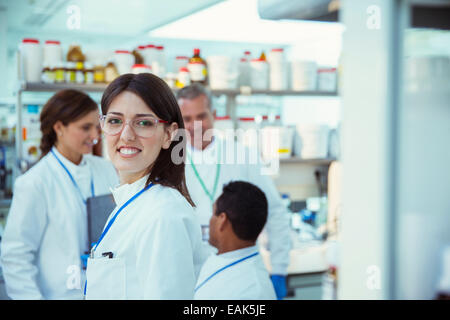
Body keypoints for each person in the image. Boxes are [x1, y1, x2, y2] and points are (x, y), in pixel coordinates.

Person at [84, 73, 206, 299]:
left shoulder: (163, 215)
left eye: (143, 123)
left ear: (169, 135)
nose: (127, 135)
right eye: (115, 121)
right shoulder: (133, 202)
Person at [0, 89, 119, 300]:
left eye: (96, 126)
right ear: (59, 128)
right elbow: (16, 256)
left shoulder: (107, 170)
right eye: (85, 128)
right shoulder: (35, 183)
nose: (95, 136)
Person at [177, 84, 291, 299]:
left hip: (237, 273)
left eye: (201, 116)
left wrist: (279, 269)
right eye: (187, 119)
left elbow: (275, 211)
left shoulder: (242, 155)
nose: (195, 126)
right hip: (186, 270)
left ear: (215, 114)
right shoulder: (171, 163)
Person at [194, 181, 277, 300]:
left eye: (213, 214)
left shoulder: (252, 292)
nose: (210, 221)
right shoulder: (223, 257)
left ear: (222, 220)